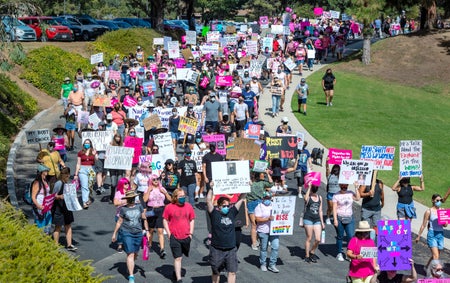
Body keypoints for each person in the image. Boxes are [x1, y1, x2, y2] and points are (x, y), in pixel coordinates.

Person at [206, 186, 246, 283]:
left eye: (228, 206)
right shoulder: (214, 214)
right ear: (219, 206)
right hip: (217, 249)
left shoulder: (232, 213)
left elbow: (241, 198)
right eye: (224, 206)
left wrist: (246, 187)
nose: (226, 208)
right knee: (216, 272)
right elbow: (208, 201)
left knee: (232, 272)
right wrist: (211, 188)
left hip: (231, 249)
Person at [112, 190, 150, 283]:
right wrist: (114, 234)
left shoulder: (139, 207)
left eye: (133, 198)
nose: (132, 200)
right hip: (127, 233)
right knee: (130, 253)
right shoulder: (123, 209)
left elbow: (144, 219)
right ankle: (131, 276)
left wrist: (147, 231)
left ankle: (130, 266)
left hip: (138, 233)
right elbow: (119, 221)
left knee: (135, 253)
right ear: (127, 199)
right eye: (130, 198)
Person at [163, 188, 196, 283]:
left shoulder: (188, 206)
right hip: (174, 236)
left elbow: (192, 219)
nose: (183, 198)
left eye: (183, 196)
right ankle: (179, 279)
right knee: (178, 257)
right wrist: (169, 233)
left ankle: (175, 271)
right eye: (180, 196)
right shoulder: (169, 207)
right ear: (175, 197)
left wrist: (191, 234)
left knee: (182, 255)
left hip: (186, 236)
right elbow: (165, 220)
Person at [415, 193, 447, 269]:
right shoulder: (428, 211)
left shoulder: (443, 211)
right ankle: (434, 274)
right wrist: (419, 236)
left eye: (440, 200)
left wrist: (443, 221)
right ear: (433, 200)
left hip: (440, 234)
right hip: (432, 234)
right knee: (436, 256)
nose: (439, 202)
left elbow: (445, 225)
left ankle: (426, 267)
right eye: (437, 200)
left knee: (436, 255)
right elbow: (423, 225)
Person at [143, 174, 172, 259]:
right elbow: (144, 200)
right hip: (151, 210)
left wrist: (165, 193)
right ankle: (150, 244)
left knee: (160, 230)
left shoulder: (162, 188)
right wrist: (148, 190)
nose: (156, 181)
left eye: (157, 179)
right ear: (151, 181)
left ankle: (162, 249)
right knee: (151, 229)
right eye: (154, 179)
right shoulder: (148, 189)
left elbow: (170, 199)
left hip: (161, 210)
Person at [333, 183, 361, 261]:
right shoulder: (336, 195)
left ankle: (349, 254)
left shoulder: (350, 193)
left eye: (345, 186)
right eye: (342, 186)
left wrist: (356, 188)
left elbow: (358, 198)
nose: (344, 187)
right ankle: (339, 253)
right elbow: (334, 208)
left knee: (351, 236)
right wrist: (335, 219)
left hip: (349, 218)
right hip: (340, 218)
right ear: (340, 186)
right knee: (340, 236)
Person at [247, 170, 273, 250]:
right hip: (251, 203)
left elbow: (271, 184)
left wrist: (267, 173)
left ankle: (260, 238)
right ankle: (254, 243)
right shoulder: (247, 182)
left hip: (260, 202)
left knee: (260, 222)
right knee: (254, 224)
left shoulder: (261, 182)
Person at [52, 167, 76, 251]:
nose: (68, 177)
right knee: (58, 227)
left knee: (68, 225)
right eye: (67, 175)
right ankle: (55, 245)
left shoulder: (67, 183)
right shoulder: (59, 183)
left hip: (67, 208)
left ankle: (69, 244)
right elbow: (53, 196)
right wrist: (59, 196)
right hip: (59, 208)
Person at [255, 191, 279, 273]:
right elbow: (257, 219)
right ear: (263, 198)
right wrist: (267, 219)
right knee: (264, 248)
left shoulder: (274, 205)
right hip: (263, 230)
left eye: (269, 198)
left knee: (275, 247)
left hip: (274, 230)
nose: (267, 200)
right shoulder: (259, 207)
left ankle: (272, 264)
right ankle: (263, 264)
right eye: (266, 198)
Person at [303, 184, 325, 263]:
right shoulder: (308, 197)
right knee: (309, 237)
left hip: (317, 219)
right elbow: (305, 199)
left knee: (318, 239)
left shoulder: (320, 198)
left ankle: (312, 251)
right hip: (308, 218)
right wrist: (308, 188)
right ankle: (307, 256)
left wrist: (322, 222)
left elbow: (320, 210)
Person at [74, 139, 98, 209]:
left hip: (91, 169)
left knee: (90, 185)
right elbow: (78, 163)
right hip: (83, 169)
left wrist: (95, 154)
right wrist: (76, 174)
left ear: (90, 144)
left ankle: (88, 197)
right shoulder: (80, 153)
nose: (87, 144)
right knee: (84, 186)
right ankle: (85, 202)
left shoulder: (93, 151)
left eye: (88, 143)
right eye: (85, 143)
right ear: (83, 144)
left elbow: (97, 160)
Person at [31, 164, 53, 235]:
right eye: (45, 170)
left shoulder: (45, 180)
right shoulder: (37, 183)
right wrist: (38, 205)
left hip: (46, 206)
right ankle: (40, 240)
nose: (47, 171)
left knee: (48, 222)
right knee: (40, 224)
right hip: (39, 207)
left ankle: (45, 238)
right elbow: (33, 197)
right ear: (41, 172)